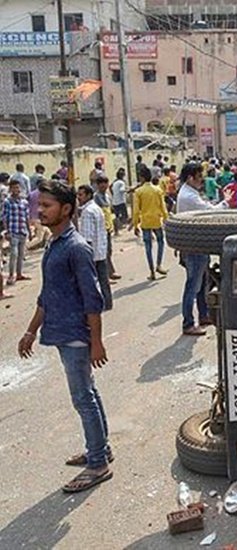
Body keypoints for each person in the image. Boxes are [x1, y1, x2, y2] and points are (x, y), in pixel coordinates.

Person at [18, 179, 112, 493]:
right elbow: (48, 294)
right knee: (89, 393)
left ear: (67, 209)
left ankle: (97, 464)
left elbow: (92, 298)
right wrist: (31, 330)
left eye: (47, 206)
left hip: (76, 335)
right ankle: (101, 448)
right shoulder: (55, 243)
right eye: (40, 204)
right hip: (60, 330)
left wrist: (96, 341)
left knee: (82, 398)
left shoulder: (76, 247)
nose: (40, 210)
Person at [176, 162, 231, 336]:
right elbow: (210, 212)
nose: (202, 181)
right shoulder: (189, 197)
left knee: (202, 283)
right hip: (195, 247)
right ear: (191, 178)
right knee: (193, 286)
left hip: (196, 244)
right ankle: (188, 323)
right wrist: (226, 202)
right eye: (199, 177)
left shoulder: (189, 192)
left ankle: (204, 315)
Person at [77, 185, 112, 311]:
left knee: (90, 282)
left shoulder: (88, 212)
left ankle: (94, 306)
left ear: (88, 195)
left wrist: (85, 255)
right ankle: (108, 302)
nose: (79, 197)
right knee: (103, 279)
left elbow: (87, 237)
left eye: (81, 195)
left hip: (92, 253)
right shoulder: (96, 208)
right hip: (100, 250)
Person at [132, 165, 169, 281]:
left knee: (148, 247)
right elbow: (163, 206)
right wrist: (165, 218)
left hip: (145, 222)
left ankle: (152, 271)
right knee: (160, 242)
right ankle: (159, 264)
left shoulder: (138, 192)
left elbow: (136, 210)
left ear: (142, 178)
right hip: (156, 220)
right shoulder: (158, 190)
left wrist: (135, 224)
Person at [2, 179, 31, 285]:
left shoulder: (24, 202)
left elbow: (26, 217)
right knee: (14, 254)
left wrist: (29, 231)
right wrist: (7, 231)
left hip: (22, 230)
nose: (16, 190)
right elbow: (5, 218)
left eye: (17, 187)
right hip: (13, 231)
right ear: (10, 189)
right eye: (14, 188)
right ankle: (11, 275)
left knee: (21, 254)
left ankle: (19, 274)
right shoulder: (7, 202)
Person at [94, 175, 120, 281]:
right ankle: (104, 276)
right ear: (97, 185)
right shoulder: (96, 197)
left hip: (108, 227)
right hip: (100, 229)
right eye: (101, 183)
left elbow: (110, 211)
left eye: (105, 183)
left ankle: (110, 272)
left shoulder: (107, 196)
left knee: (108, 251)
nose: (104, 185)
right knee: (102, 252)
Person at [110, 168, 128, 235]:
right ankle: (121, 226)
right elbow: (122, 190)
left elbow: (110, 187)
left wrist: (114, 194)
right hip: (121, 201)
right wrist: (128, 190)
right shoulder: (121, 182)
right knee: (124, 214)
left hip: (115, 201)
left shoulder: (115, 182)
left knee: (116, 215)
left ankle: (116, 229)